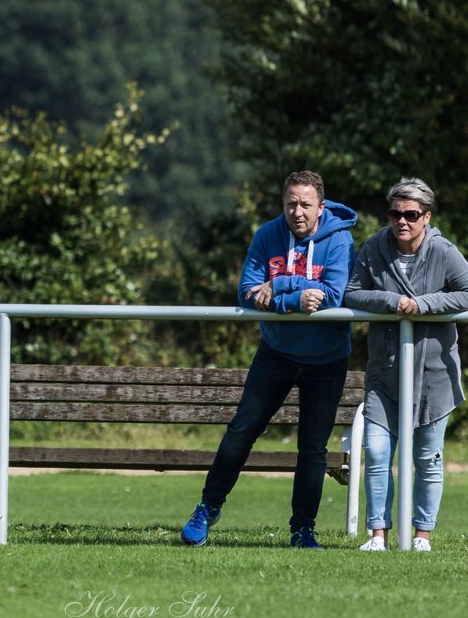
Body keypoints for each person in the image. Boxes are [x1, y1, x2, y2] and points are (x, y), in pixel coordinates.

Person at [181, 170, 357, 548]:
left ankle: (302, 529)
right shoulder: (267, 235)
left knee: (312, 448)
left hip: (326, 359)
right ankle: (207, 508)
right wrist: (292, 299)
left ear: (321, 207)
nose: (297, 212)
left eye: (305, 205)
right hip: (275, 352)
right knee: (241, 432)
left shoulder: (340, 238)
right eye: (290, 203)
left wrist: (277, 285)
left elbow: (334, 295)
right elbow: (247, 292)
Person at [343, 178, 468, 552]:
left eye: (411, 215)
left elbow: (465, 292)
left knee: (428, 458)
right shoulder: (373, 248)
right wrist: (390, 301)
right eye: (396, 213)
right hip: (385, 373)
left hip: (434, 376)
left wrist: (424, 305)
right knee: (378, 453)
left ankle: (422, 536)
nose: (402, 221)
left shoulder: (445, 252)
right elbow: (351, 291)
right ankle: (377, 535)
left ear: (426, 217)